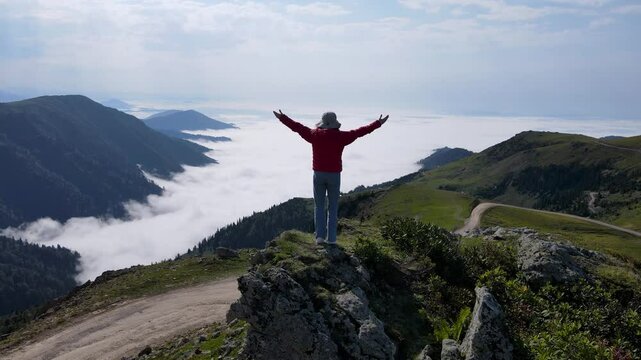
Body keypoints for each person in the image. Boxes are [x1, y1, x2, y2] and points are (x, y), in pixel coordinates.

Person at [273, 109, 388, 245]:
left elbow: (297, 127)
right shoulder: (342, 137)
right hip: (334, 175)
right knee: (333, 207)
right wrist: (378, 123)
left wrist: (282, 117)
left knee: (319, 206)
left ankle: (320, 237)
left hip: (318, 174)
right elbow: (361, 131)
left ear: (322, 123)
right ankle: (332, 239)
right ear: (335, 123)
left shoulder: (314, 134)